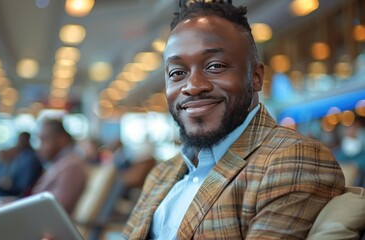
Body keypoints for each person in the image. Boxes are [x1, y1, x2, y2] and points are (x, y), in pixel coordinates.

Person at [123, 1, 345, 239]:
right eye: (177, 73)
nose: (193, 86)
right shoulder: (162, 173)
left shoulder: (292, 160)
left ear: (256, 78)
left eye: (215, 66)